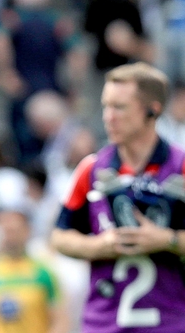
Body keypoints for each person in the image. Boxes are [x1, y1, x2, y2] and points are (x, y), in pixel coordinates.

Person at [50, 62, 185, 332]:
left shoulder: (181, 167)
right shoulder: (90, 169)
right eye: (106, 106)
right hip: (104, 325)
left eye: (119, 107)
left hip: (171, 324)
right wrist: (100, 246)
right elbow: (59, 237)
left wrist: (168, 241)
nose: (108, 116)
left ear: (152, 110)